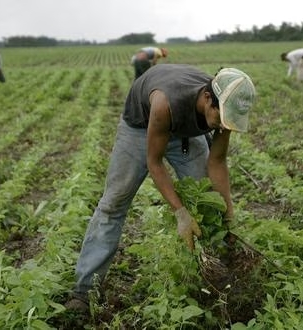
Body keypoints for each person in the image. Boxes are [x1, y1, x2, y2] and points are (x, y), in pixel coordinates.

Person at [64, 64, 256, 312]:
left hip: (186, 133)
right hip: (142, 128)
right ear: (207, 98)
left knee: (206, 202)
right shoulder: (166, 101)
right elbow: (154, 163)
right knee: (113, 204)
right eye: (221, 117)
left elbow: (217, 162)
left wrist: (228, 215)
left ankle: (214, 278)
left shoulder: (223, 104)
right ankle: (84, 291)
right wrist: (180, 213)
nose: (223, 124)